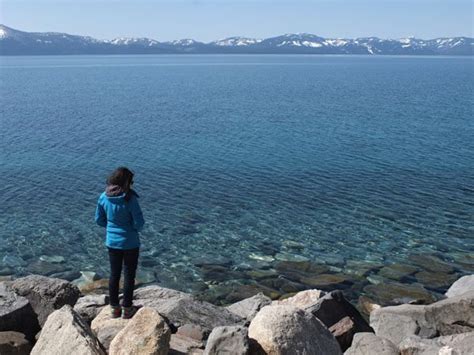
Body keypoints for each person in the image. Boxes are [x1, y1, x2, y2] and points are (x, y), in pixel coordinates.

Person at [95, 167, 145, 319]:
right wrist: (131, 228)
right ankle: (127, 309)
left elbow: (99, 220)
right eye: (131, 181)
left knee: (114, 275)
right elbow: (139, 223)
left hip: (112, 242)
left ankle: (114, 309)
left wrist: (111, 228)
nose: (132, 184)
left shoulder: (103, 197)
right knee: (129, 276)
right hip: (130, 243)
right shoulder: (130, 199)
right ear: (126, 182)